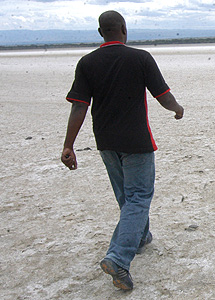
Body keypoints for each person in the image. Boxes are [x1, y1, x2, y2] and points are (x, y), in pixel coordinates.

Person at [60, 10, 184, 290]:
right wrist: (178, 109)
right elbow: (163, 96)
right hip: (136, 142)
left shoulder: (87, 62)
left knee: (126, 197)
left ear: (100, 33)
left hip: (105, 141)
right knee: (138, 197)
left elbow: (79, 105)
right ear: (124, 29)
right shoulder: (140, 58)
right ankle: (118, 257)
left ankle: (140, 237)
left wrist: (69, 144)